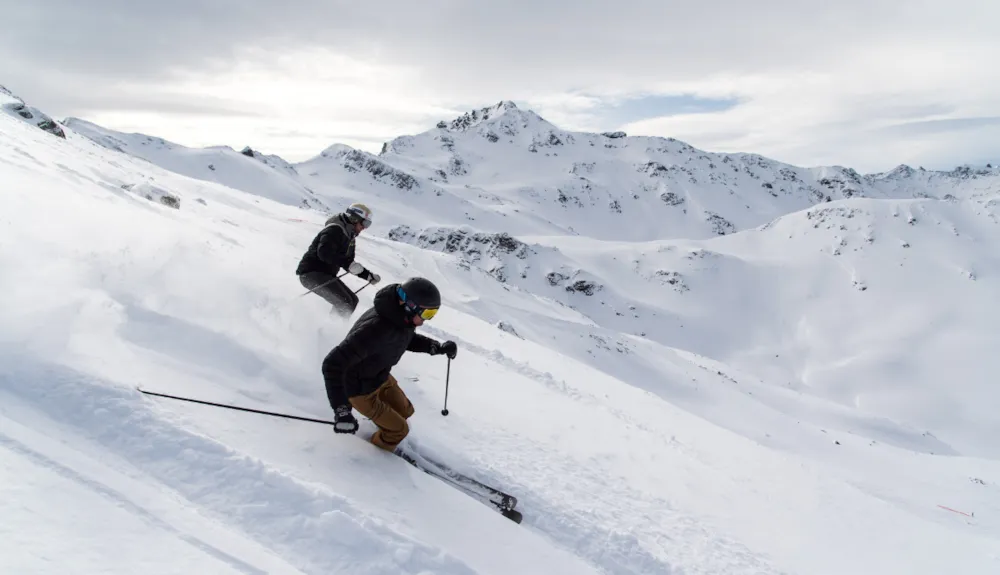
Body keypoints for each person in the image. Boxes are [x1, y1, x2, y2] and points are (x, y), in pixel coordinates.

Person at [321, 277, 458, 452]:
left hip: (379, 376)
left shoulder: (400, 317)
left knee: (406, 411)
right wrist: (341, 410)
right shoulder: (375, 329)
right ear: (410, 305)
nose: (426, 320)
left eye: (432, 314)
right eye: (427, 314)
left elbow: (403, 339)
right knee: (399, 430)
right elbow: (332, 364)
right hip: (358, 390)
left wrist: (436, 348)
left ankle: (381, 430)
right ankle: (379, 458)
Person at [296, 202, 381, 318]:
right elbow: (324, 253)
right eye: (365, 223)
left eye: (368, 224)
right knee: (345, 302)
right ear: (354, 218)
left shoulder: (350, 237)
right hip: (311, 273)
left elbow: (348, 262)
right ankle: (329, 331)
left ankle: (332, 329)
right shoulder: (334, 230)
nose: (364, 227)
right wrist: (348, 264)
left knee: (353, 301)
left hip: (326, 275)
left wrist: (368, 276)